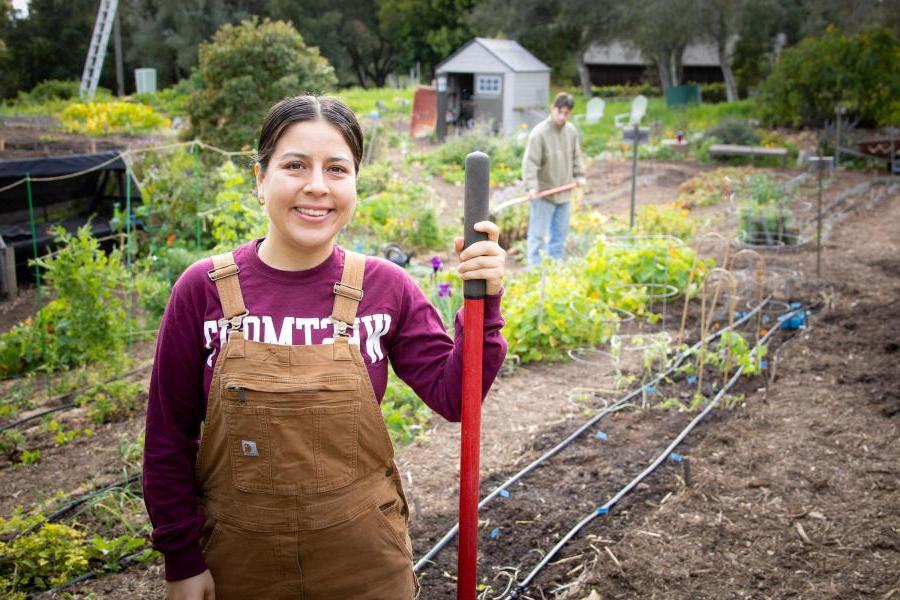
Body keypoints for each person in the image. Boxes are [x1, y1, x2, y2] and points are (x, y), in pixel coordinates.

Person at [143, 95, 508, 600]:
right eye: (295, 165)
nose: (317, 186)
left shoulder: (387, 287)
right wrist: (181, 560)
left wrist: (483, 307)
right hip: (237, 564)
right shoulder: (202, 289)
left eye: (337, 169)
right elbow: (167, 437)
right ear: (260, 178)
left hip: (364, 566)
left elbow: (455, 398)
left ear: (355, 183)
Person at [522, 92, 587, 269]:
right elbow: (531, 163)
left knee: (559, 238)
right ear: (553, 108)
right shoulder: (539, 134)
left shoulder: (571, 132)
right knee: (538, 238)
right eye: (560, 111)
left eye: (566, 113)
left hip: (564, 194)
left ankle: (553, 274)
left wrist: (579, 175)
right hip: (544, 194)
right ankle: (533, 275)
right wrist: (531, 188)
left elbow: (576, 157)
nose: (562, 116)